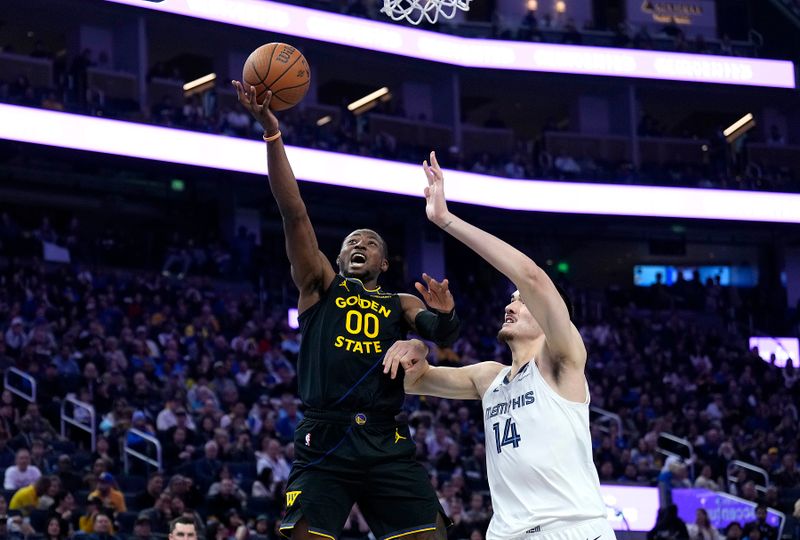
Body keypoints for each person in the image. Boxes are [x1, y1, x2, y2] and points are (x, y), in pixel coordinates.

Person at [231, 81, 461, 540]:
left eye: (370, 242)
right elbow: (293, 213)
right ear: (337, 258)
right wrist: (273, 136)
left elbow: (441, 333)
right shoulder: (320, 285)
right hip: (326, 437)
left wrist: (447, 314)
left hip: (384, 439)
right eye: (351, 241)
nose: (359, 243)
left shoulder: (400, 301)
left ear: (384, 262)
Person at [382, 151, 615, 540]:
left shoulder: (562, 361)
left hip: (570, 529)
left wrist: (446, 220)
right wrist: (419, 349)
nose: (511, 303)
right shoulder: (489, 379)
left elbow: (534, 277)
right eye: (510, 298)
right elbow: (411, 381)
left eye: (520, 299)